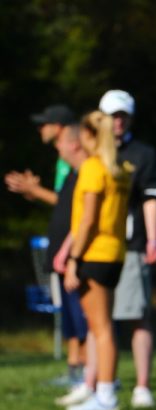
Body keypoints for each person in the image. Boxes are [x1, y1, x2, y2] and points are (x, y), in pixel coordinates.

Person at [6, 105, 88, 389]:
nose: (41, 129)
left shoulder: (78, 160)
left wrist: (34, 191)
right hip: (61, 249)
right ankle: (74, 368)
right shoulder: (64, 161)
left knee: (81, 315)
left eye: (45, 124)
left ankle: (87, 375)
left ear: (62, 128)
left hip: (72, 249)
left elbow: (77, 206)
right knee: (67, 315)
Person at [61, 111, 131, 410]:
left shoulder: (92, 168)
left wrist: (74, 259)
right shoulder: (120, 169)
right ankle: (102, 390)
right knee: (104, 327)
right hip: (114, 252)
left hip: (94, 253)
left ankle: (105, 395)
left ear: (90, 136)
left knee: (99, 328)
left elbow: (87, 219)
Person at [97, 90, 156, 410]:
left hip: (131, 245)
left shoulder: (142, 154)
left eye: (122, 115)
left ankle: (142, 386)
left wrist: (152, 239)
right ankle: (96, 383)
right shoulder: (93, 153)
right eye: (112, 115)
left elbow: (151, 198)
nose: (117, 121)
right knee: (98, 318)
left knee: (137, 315)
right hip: (97, 247)